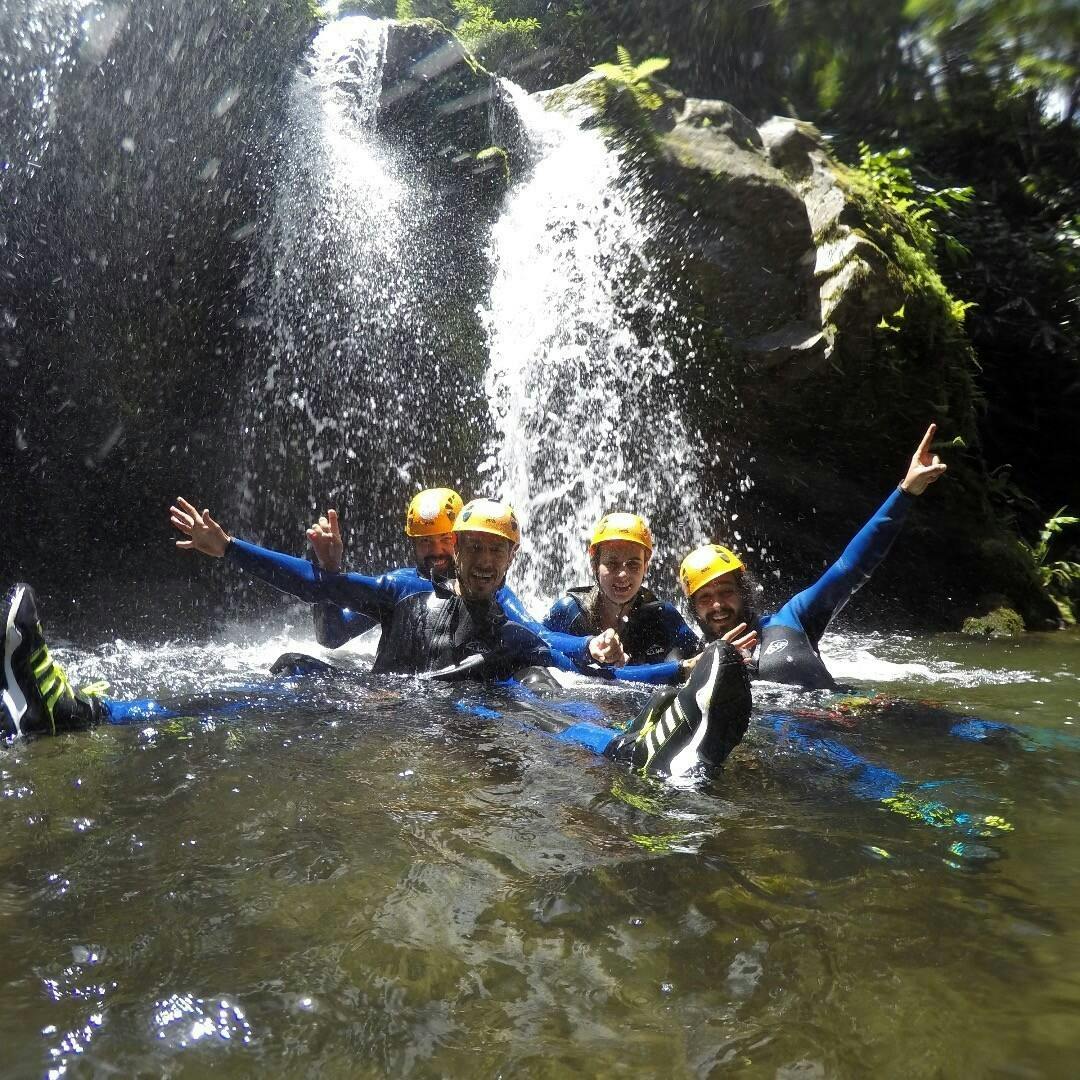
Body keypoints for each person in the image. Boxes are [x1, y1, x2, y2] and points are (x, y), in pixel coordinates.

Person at [1, 499, 752, 777]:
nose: (484, 559)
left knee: (539, 720)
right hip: (380, 708)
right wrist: (228, 549)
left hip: (462, 724)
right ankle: (80, 713)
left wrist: (688, 673)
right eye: (472, 547)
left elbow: (593, 673)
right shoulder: (401, 591)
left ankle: (640, 754)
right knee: (282, 677)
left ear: (510, 559)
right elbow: (320, 588)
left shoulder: (519, 631)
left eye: (497, 550)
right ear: (452, 550)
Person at [200, 492, 624, 669]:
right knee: (292, 664)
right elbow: (330, 634)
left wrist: (589, 646)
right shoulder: (402, 587)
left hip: (444, 709)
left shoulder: (493, 593)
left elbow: (535, 637)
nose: (434, 552)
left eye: (443, 540)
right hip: (394, 700)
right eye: (424, 542)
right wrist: (328, 573)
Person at [679, 424, 948, 691]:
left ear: (744, 591)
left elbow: (850, 568)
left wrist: (905, 492)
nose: (717, 605)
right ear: (693, 607)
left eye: (726, 591)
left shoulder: (792, 619)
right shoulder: (693, 663)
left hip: (848, 721)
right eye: (704, 597)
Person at [544, 512, 758, 685]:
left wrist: (723, 656)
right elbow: (537, 640)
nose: (623, 575)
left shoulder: (662, 616)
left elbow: (698, 657)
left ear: (646, 566)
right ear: (594, 564)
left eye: (633, 564)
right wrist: (589, 645)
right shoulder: (568, 611)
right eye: (612, 563)